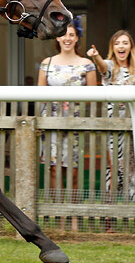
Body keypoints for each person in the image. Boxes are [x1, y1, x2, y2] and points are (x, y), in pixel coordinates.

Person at [87, 30, 135, 208]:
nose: (121, 46)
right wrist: (95, 56)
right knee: (115, 169)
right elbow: (102, 68)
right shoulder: (110, 65)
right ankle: (110, 217)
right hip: (115, 126)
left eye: (125, 43)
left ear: (130, 47)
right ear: (113, 47)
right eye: (117, 43)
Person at [38, 17, 95, 231]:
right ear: (57, 37)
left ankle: (74, 219)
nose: (67, 38)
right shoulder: (47, 63)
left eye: (71, 34)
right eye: (63, 34)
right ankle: (59, 218)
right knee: (54, 169)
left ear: (77, 37)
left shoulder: (87, 64)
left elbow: (92, 96)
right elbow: (40, 94)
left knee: (73, 170)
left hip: (75, 124)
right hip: (52, 123)